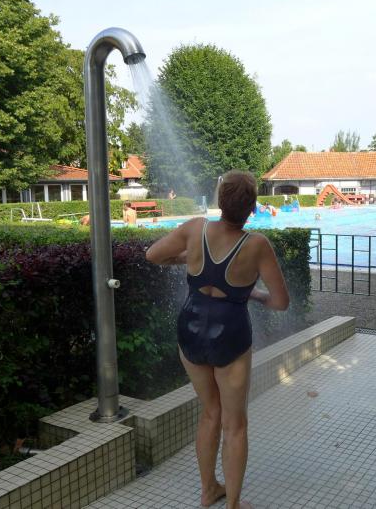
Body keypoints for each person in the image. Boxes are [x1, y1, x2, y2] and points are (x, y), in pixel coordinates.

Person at [146, 170, 289, 509]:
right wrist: (252, 294)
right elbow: (281, 302)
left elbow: (153, 255)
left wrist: (187, 258)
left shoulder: (195, 229)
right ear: (252, 208)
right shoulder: (256, 245)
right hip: (230, 336)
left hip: (190, 330)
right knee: (234, 424)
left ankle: (209, 489)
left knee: (210, 412)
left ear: (219, 202)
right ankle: (233, 504)